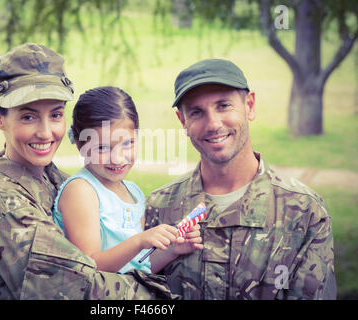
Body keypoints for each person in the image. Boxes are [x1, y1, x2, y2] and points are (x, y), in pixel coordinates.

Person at [0, 43, 178, 300]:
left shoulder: (54, 179)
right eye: (28, 117)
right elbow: (77, 287)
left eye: (56, 115)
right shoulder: (3, 200)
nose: (46, 132)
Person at [144, 59, 337, 300]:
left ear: (250, 106)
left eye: (224, 106)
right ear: (183, 122)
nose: (213, 124)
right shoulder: (158, 208)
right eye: (196, 112)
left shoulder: (304, 211)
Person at [52, 86, 203, 275]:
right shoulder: (82, 191)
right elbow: (89, 267)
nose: (117, 158)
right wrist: (139, 241)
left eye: (127, 143)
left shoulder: (133, 192)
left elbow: (137, 268)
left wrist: (173, 250)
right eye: (102, 148)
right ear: (80, 143)